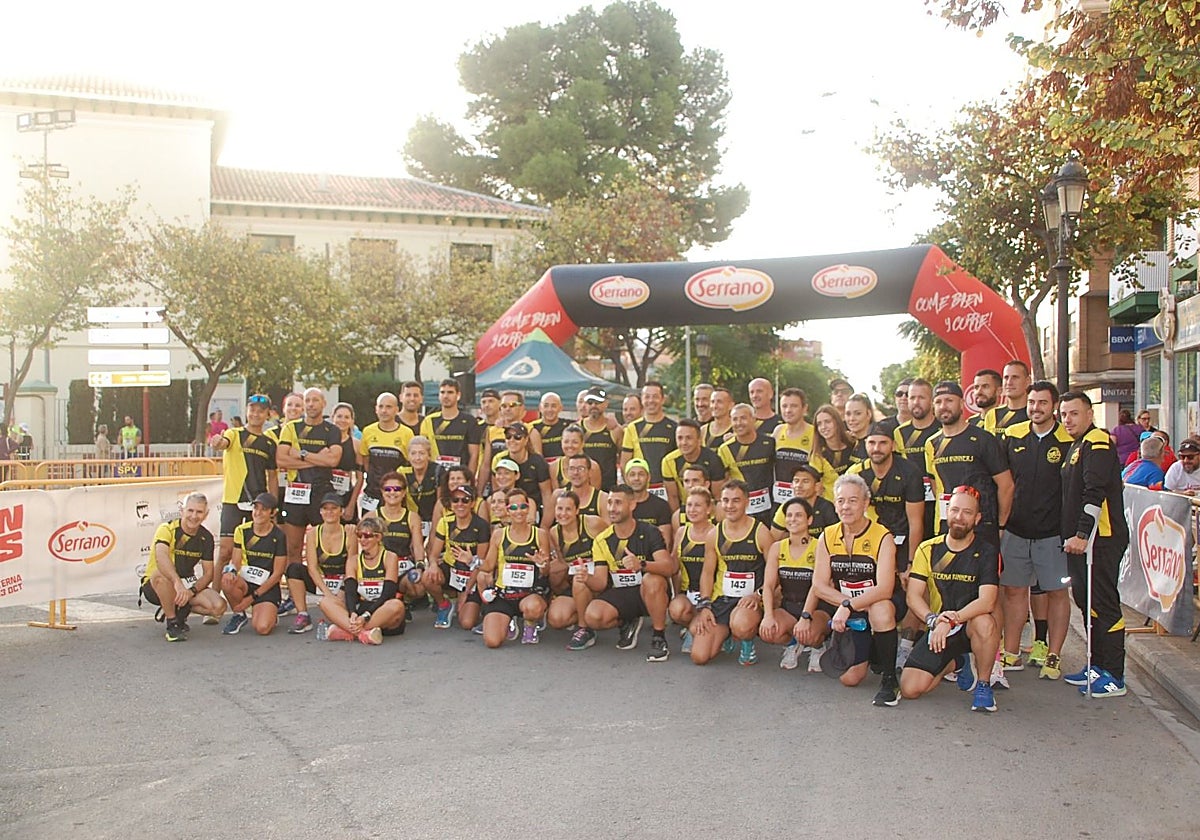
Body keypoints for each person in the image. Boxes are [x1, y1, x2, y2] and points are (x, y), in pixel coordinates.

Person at [900, 487, 1002, 713]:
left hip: (970, 624)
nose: (959, 517)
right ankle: (959, 663)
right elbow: (913, 596)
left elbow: (987, 601)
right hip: (939, 627)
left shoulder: (986, 551)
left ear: (977, 519)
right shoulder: (928, 548)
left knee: (985, 622)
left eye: (967, 512)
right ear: (947, 512)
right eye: (955, 510)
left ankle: (983, 685)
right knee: (910, 689)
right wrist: (933, 620)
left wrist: (951, 620)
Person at [1000, 380, 1074, 679]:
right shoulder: (1012, 435)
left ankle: (1054, 656)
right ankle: (1012, 652)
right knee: (1015, 592)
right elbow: (1004, 484)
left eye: (1042, 403)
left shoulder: (1068, 439)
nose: (1036, 408)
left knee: (1056, 593)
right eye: (1032, 403)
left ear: (1054, 406)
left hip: (1053, 534)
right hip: (1016, 531)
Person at [1060, 391, 1131, 697]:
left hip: (1100, 540)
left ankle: (1114, 674)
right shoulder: (1077, 444)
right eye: (1063, 414)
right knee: (1087, 604)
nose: (1067, 419)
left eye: (1074, 413)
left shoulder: (1098, 442)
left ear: (1090, 414)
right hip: (1080, 544)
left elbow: (1095, 491)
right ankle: (1097, 665)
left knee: (1104, 605)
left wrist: (1082, 534)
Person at [809, 473, 900, 706]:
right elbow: (819, 585)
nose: (846, 507)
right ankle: (874, 650)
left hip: (881, 602)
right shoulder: (827, 536)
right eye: (840, 501)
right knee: (850, 679)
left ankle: (890, 680)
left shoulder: (882, 536)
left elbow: (885, 589)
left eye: (852, 500)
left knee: (880, 611)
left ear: (865, 503)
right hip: (850, 606)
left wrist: (847, 606)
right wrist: (846, 604)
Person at [569, 484, 676, 661]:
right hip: (622, 591)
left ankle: (659, 637)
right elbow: (601, 582)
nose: (612, 508)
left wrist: (642, 564)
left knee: (653, 580)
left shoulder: (650, 532)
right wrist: (587, 578)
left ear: (632, 505)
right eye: (609, 503)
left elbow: (668, 567)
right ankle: (626, 622)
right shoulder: (602, 539)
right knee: (593, 617)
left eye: (618, 503)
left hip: (649, 591)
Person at [275, 388, 343, 633]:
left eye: (315, 400)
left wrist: (301, 453)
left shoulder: (331, 430)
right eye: (307, 400)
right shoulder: (290, 428)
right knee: (293, 548)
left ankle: (332, 597)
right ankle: (296, 600)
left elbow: (333, 461)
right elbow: (281, 460)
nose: (311, 404)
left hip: (321, 492)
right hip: (296, 492)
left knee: (328, 546)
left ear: (324, 404)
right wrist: (316, 457)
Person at [687, 481, 773, 667]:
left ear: (746, 502)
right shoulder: (714, 534)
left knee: (741, 625)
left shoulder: (760, 532)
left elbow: (774, 571)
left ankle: (747, 641)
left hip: (750, 600)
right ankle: (726, 634)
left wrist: (758, 595)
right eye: (725, 500)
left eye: (736, 500)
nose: (730, 505)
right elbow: (708, 574)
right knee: (699, 657)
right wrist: (705, 606)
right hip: (723, 600)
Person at [140, 493, 225, 641]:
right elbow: (161, 557)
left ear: (206, 514)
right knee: (160, 575)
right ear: (182, 511)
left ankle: (180, 609)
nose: (194, 516)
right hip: (158, 584)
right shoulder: (167, 528)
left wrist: (191, 591)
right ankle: (172, 622)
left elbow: (208, 574)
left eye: (199, 512)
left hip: (186, 585)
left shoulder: (206, 537)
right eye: (190, 511)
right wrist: (177, 583)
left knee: (218, 606)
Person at [209, 393, 278, 572]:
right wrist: (217, 442)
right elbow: (223, 443)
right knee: (225, 552)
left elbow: (272, 476)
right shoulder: (235, 433)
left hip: (258, 504)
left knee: (253, 552)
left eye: (261, 411)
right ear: (246, 411)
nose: (255, 414)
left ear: (267, 414)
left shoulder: (270, 443)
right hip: (233, 500)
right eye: (252, 410)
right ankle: (216, 596)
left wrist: (273, 505)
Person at [476, 488, 552, 647]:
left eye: (523, 507)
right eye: (513, 508)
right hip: (504, 595)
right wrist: (472, 561)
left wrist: (541, 564)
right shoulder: (499, 535)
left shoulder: (539, 535)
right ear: (507, 510)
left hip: (529, 594)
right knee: (492, 641)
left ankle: (530, 624)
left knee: (533, 608)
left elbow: (545, 572)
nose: (519, 511)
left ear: (528, 508)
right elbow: (488, 566)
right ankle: (509, 620)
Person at [318, 515, 405, 645]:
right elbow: (350, 591)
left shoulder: (390, 557)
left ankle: (348, 631)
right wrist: (353, 612)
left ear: (378, 537)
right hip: (361, 610)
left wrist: (366, 616)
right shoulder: (353, 560)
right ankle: (362, 633)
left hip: (381, 611)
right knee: (325, 602)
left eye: (367, 536)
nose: (362, 540)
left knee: (396, 605)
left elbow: (388, 594)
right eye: (359, 535)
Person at [760, 497, 823, 671]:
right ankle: (793, 644)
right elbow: (768, 585)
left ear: (809, 520)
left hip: (817, 608)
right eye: (789, 515)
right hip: (789, 606)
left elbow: (818, 587)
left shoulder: (819, 546)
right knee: (769, 631)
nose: (792, 519)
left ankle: (818, 647)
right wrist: (768, 615)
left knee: (809, 634)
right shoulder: (777, 548)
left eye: (798, 515)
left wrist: (806, 617)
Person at [423, 484, 492, 633]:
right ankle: (444, 604)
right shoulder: (445, 522)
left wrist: (466, 591)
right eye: (455, 500)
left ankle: (474, 604)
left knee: (466, 623)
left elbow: (481, 562)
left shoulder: (481, 525)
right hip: (452, 570)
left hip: (472, 574)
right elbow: (434, 554)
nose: (460, 504)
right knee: (427, 577)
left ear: (472, 503)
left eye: (465, 500)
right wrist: (433, 565)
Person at [219, 493, 287, 636]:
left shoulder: (279, 536)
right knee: (226, 580)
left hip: (266, 586)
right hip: (245, 582)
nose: (258, 512)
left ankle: (269, 614)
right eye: (256, 508)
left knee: (262, 628)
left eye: (264, 509)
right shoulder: (242, 530)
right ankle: (239, 615)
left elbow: (277, 574)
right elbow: (236, 562)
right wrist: (230, 571)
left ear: (273, 513)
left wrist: (252, 598)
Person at [283, 494, 353, 629]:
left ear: (341, 511)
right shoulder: (313, 534)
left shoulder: (349, 532)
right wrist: (327, 593)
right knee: (294, 569)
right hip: (321, 580)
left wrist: (343, 590)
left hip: (343, 582)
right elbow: (312, 568)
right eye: (325, 509)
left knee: (338, 617)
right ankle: (303, 615)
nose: (329, 512)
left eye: (334, 508)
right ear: (320, 512)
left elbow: (352, 566)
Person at [545, 489, 607, 628]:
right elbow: (563, 563)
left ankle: (583, 628)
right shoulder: (554, 532)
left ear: (577, 510)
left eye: (568, 509)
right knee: (557, 619)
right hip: (576, 583)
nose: (563, 514)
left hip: (600, 578)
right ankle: (586, 613)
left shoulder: (593, 523)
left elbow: (613, 541)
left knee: (580, 580)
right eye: (559, 508)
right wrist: (546, 567)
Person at [669, 486, 717, 655]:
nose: (692, 509)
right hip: (689, 592)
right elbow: (674, 567)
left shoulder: (716, 532)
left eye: (697, 505)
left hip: (713, 596)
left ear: (709, 508)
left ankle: (697, 629)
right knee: (676, 609)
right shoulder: (682, 532)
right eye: (689, 505)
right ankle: (692, 626)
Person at [375, 470, 428, 620]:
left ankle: (402, 598)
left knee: (418, 586)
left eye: (397, 489)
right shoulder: (372, 516)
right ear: (382, 492)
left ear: (404, 493)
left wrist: (420, 566)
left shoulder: (412, 516)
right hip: (381, 570)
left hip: (403, 566)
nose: (393, 493)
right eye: (388, 489)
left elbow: (417, 545)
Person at [358, 391, 416, 519]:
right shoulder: (368, 431)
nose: (384, 410)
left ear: (397, 410)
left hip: (395, 495)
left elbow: (411, 464)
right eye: (381, 406)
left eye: (388, 407)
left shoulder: (407, 433)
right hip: (372, 494)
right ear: (376, 409)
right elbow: (366, 461)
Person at [716, 403, 777, 525]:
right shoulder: (725, 449)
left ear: (753, 419)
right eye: (735, 419)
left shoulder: (769, 443)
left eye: (743, 418)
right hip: (741, 510)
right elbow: (723, 482)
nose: (739, 423)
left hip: (769, 508)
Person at [620, 381, 677, 501]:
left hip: (667, 489)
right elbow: (625, 463)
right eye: (647, 396)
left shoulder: (674, 428)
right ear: (642, 399)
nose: (651, 400)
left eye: (655, 396)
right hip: (640, 492)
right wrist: (632, 489)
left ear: (662, 399)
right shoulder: (632, 428)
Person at [491, 423, 553, 523]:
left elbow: (546, 494)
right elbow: (497, 491)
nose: (512, 440)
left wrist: (545, 524)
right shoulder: (499, 459)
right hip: (508, 510)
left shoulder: (537, 461)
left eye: (517, 437)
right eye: (508, 437)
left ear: (526, 439)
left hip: (532, 509)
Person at [661, 417, 726, 512]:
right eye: (680, 438)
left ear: (699, 439)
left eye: (689, 438)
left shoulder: (713, 460)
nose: (684, 442)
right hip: (685, 508)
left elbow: (718, 497)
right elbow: (673, 497)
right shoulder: (668, 461)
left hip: (708, 510)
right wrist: (678, 518)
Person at [419, 378, 480, 475]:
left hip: (460, 476)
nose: (446, 396)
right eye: (442, 392)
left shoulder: (469, 421)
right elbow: (423, 451)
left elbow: (474, 455)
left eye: (450, 392)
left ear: (458, 395)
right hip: (435, 476)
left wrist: (469, 479)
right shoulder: (428, 421)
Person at [772, 387, 816, 504]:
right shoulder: (778, 431)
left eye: (794, 406)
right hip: (779, 498)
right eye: (784, 406)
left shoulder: (814, 433)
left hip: (805, 500)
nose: (788, 410)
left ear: (804, 408)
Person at [771, 463, 837, 540]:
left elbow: (834, 539)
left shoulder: (826, 507)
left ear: (817, 486)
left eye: (805, 481)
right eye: (796, 481)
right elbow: (773, 539)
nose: (799, 485)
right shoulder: (786, 507)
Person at [579, 386, 623, 491]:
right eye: (590, 402)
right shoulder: (577, 428)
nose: (593, 406)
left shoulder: (615, 430)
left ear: (606, 404)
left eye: (597, 402)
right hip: (583, 487)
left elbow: (623, 458)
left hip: (608, 488)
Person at [812, 403, 860, 497]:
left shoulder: (854, 445)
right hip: (830, 507)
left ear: (837, 422)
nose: (824, 427)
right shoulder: (817, 455)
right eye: (819, 424)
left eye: (827, 421)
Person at [624, 458, 673, 546]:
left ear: (648, 477)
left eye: (641, 474)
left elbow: (666, 542)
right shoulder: (621, 506)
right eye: (632, 475)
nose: (636, 478)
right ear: (626, 479)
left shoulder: (661, 506)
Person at [550, 424, 603, 492]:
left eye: (575, 442)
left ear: (582, 443)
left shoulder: (593, 467)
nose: (570, 445)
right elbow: (556, 497)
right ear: (561, 443)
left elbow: (594, 496)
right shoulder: (554, 467)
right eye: (566, 442)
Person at [330, 402, 361, 519]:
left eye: (347, 417)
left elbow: (360, 478)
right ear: (333, 418)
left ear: (352, 421)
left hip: (346, 495)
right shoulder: (323, 441)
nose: (342, 420)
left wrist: (352, 504)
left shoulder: (356, 444)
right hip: (324, 495)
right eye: (339, 416)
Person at [983, 360, 1031, 435]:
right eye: (1006, 377)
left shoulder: (1034, 414)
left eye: (1015, 377)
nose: (1009, 382)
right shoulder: (992, 414)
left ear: (1028, 381)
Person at [532, 392, 568, 464]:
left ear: (560, 408)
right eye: (546, 406)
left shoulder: (569, 426)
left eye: (553, 406)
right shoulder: (532, 428)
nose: (549, 409)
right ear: (540, 408)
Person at [842, 393, 874, 460]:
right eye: (848, 414)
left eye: (858, 413)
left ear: (869, 414)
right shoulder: (847, 442)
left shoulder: (876, 443)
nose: (852, 419)